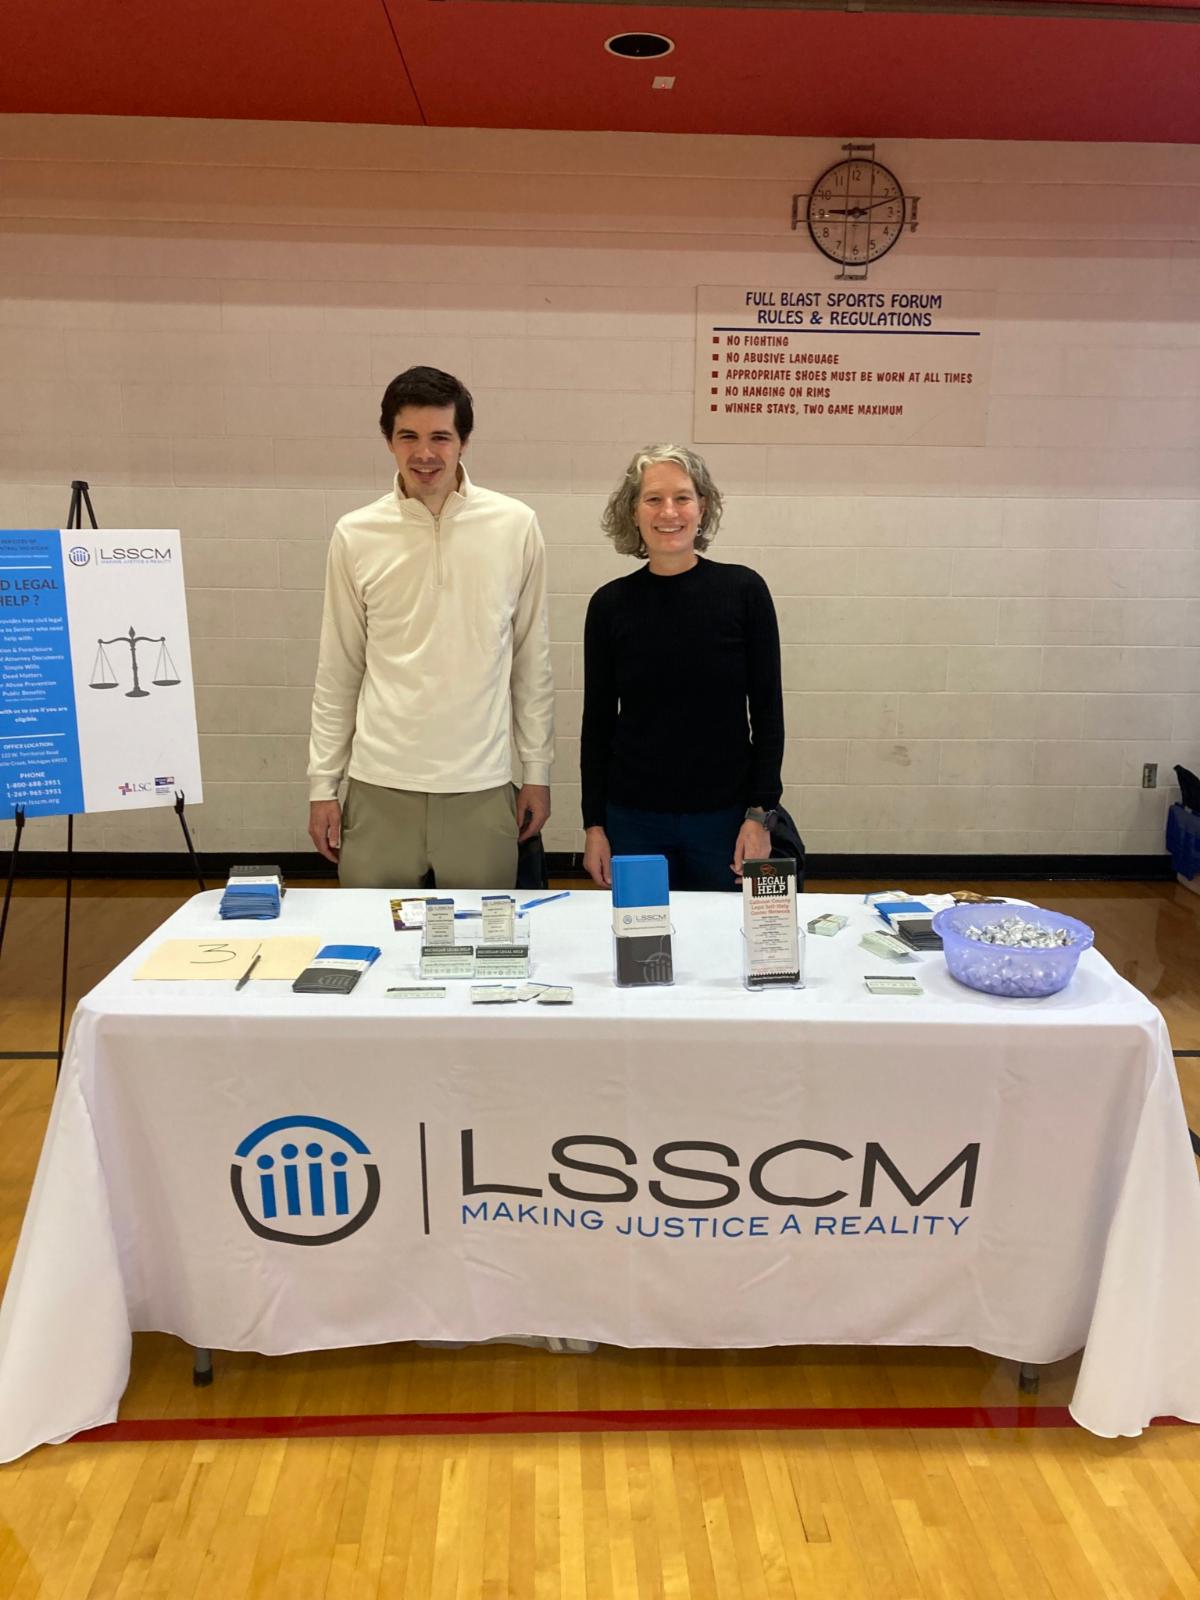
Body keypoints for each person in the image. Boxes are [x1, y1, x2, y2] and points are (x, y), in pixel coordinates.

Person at [307, 366, 553, 889]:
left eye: (440, 437)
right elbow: (339, 670)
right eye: (408, 437)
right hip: (379, 783)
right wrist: (323, 784)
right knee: (373, 934)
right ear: (388, 441)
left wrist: (536, 772)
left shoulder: (515, 525)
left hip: (481, 785)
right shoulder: (355, 534)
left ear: (464, 441)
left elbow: (532, 662)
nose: (424, 453)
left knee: (482, 940)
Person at [581, 444, 785, 891]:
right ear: (633, 512)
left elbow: (768, 713)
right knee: (641, 932)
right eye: (653, 499)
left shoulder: (744, 592)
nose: (668, 512)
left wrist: (760, 815)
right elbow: (597, 724)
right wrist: (594, 825)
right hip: (633, 820)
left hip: (725, 819)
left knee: (723, 932)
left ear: (702, 507)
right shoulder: (610, 605)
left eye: (682, 497)